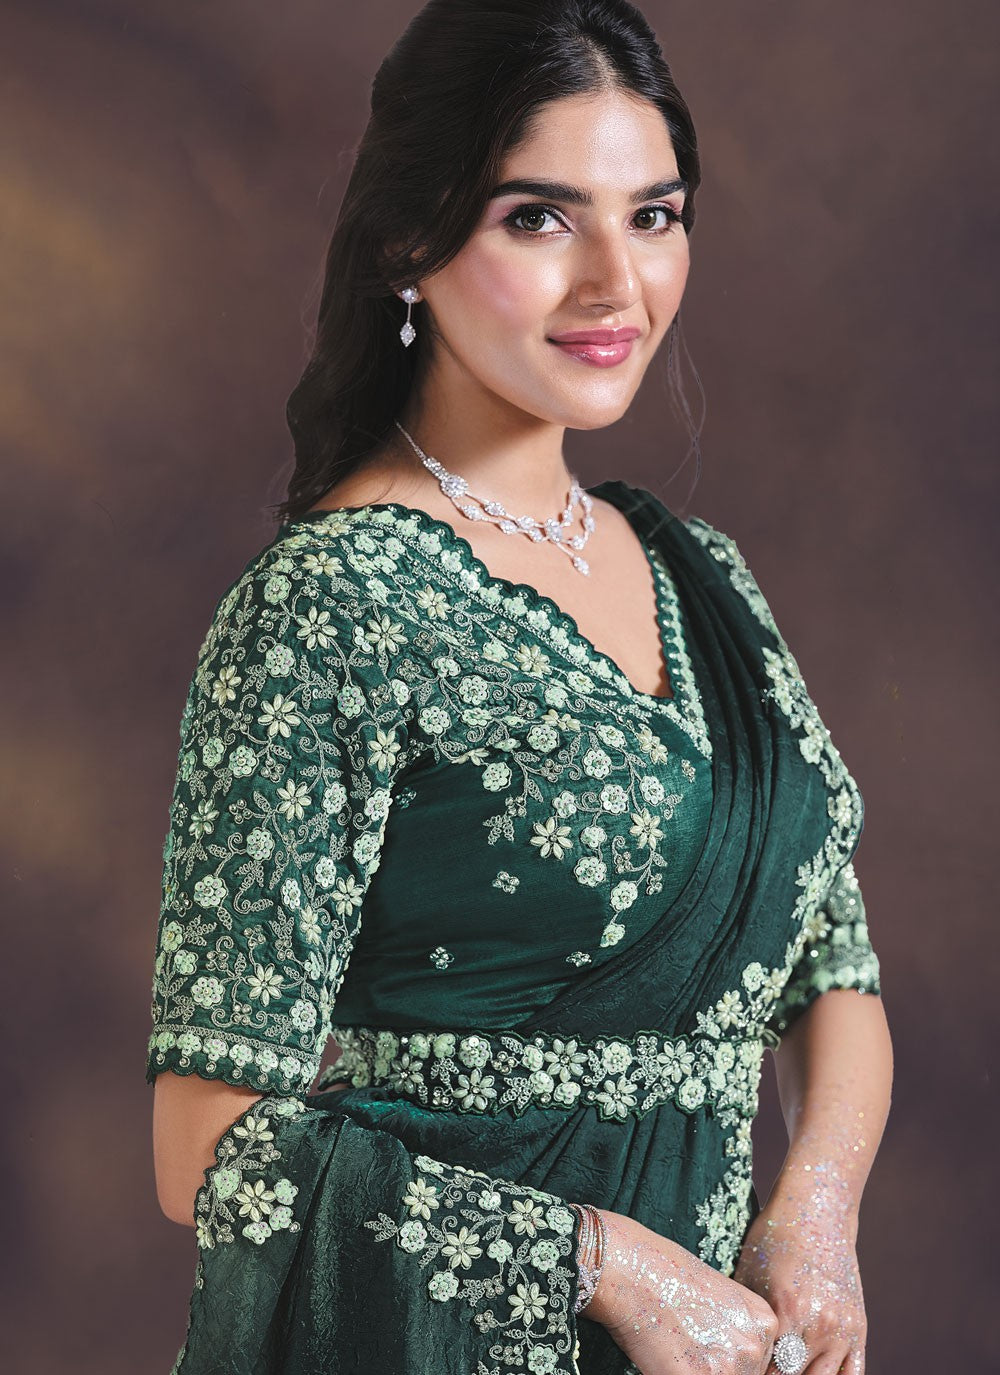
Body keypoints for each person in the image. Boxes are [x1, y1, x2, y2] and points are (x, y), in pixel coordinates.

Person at [146, 3, 893, 1372]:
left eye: (654, 216)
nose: (617, 283)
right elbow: (206, 1151)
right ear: (406, 244)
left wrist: (819, 1214)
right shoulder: (328, 608)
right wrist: (603, 1265)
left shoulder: (705, 578)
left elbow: (831, 967)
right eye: (539, 219)